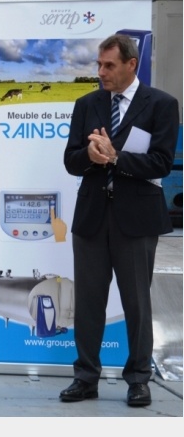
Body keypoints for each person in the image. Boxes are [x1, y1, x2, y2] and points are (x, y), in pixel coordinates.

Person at [61, 33, 179, 407]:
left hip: (136, 220)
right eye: (98, 65)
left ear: (132, 64)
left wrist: (115, 158)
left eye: (109, 65)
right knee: (89, 302)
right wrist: (92, 158)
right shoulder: (87, 104)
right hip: (92, 218)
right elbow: (70, 160)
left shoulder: (161, 104)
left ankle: (138, 380)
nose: (101, 72)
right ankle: (85, 378)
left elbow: (161, 163)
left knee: (136, 305)